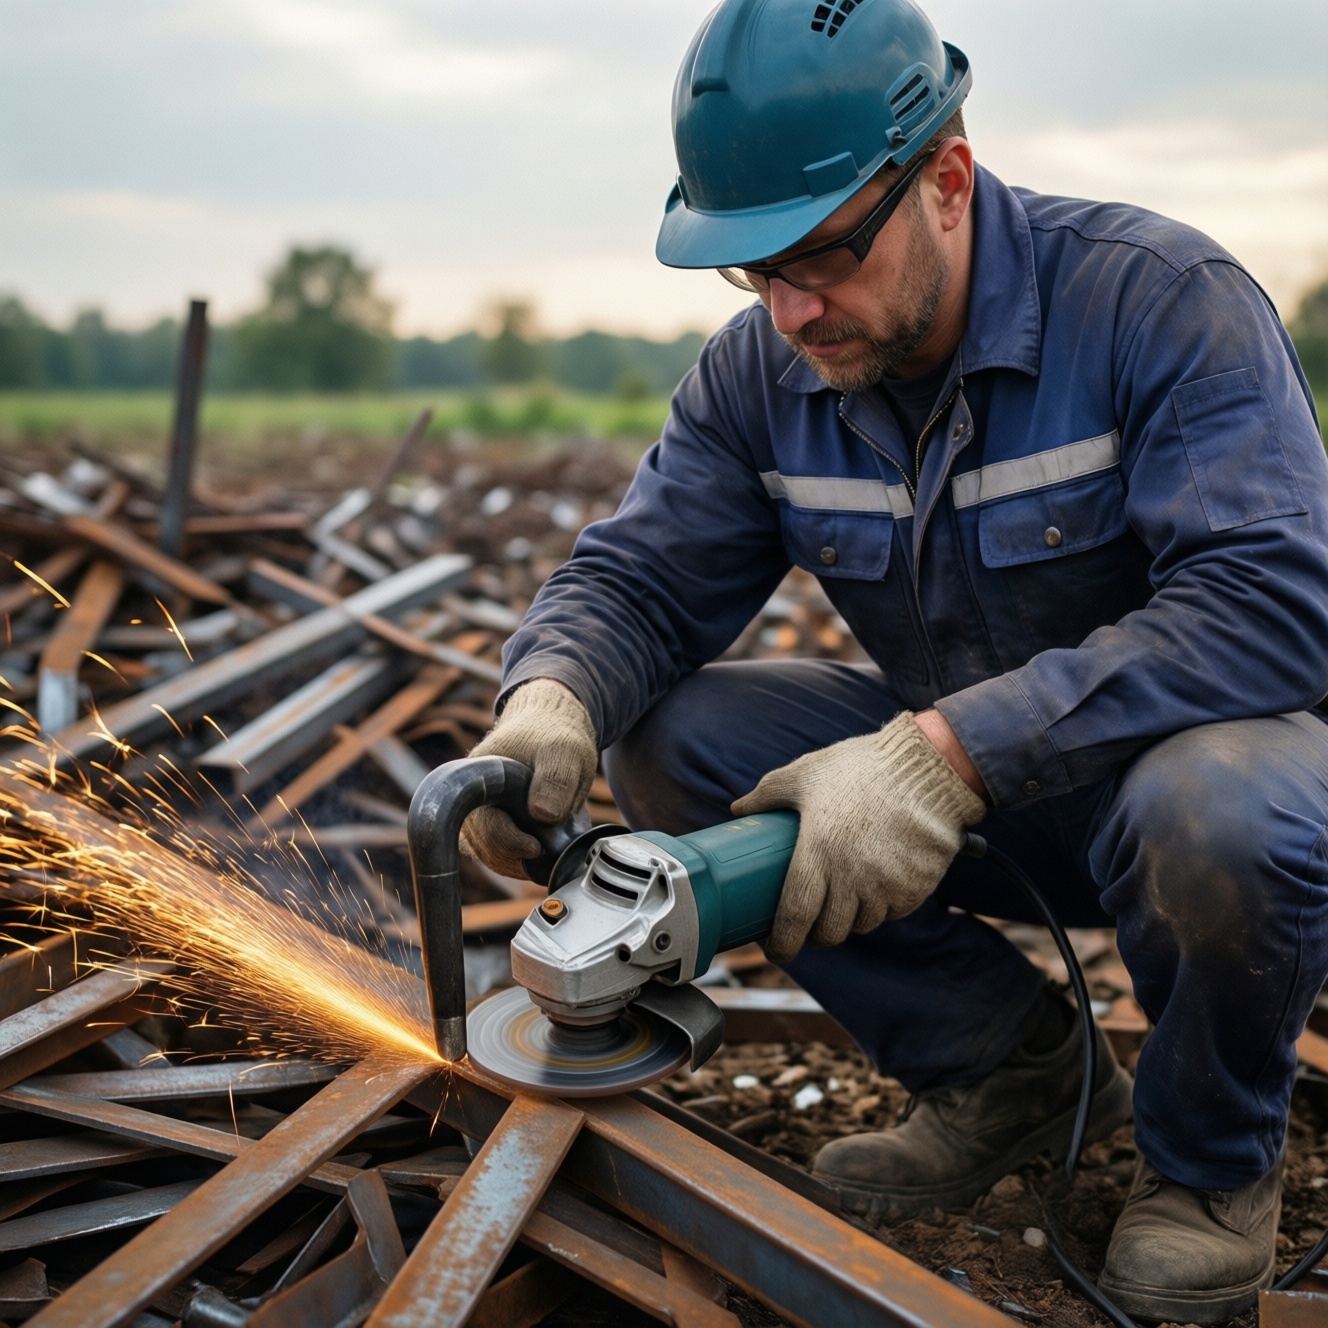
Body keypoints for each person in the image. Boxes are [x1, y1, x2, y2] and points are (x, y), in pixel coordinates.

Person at [460, 0, 1328, 1320]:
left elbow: (1273, 606)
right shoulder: (763, 372)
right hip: (983, 814)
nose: (793, 309)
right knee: (669, 736)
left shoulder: (1158, 303)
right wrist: (549, 697)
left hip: (1188, 804)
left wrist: (946, 754)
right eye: (754, 273)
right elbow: (641, 578)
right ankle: (1003, 1065)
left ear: (948, 179)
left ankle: (1208, 1170)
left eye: (819, 257)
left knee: (1218, 811)